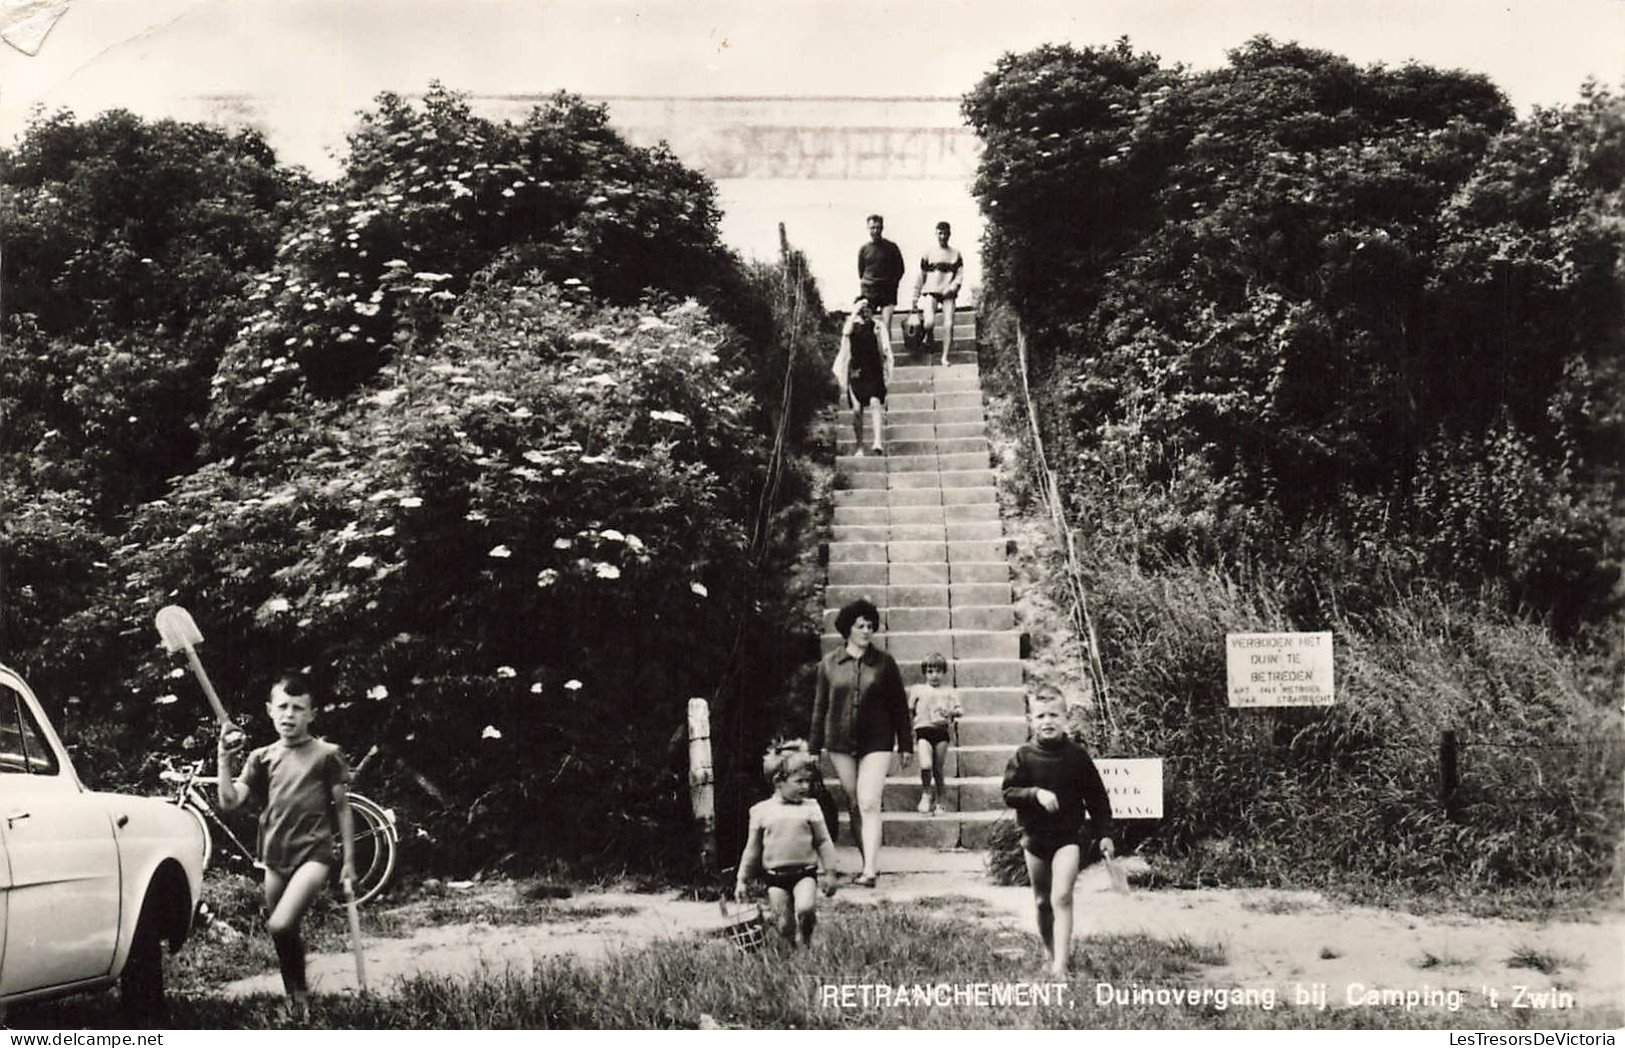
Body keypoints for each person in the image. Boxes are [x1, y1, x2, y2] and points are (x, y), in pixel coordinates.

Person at [217, 674, 356, 1020]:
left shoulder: (327, 755)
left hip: (315, 854)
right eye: (282, 707)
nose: (289, 715)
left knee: (279, 924)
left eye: (298, 708)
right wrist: (223, 759)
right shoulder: (262, 757)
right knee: (285, 933)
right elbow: (230, 802)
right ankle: (298, 997)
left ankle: (298, 997)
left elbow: (343, 808)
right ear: (269, 710)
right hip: (275, 857)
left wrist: (350, 861)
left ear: (312, 714)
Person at [1001, 690, 1115, 977]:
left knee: (1061, 896)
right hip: (1035, 839)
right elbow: (1009, 793)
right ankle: (1050, 952)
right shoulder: (1023, 756)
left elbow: (1098, 799)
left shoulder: (1077, 757)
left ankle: (1061, 965)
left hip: (1068, 838)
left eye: (1054, 715)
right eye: (1040, 716)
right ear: (1030, 720)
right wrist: (1035, 794)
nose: (1047, 721)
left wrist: (1104, 833)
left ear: (1066, 719)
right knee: (1042, 902)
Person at [810, 597, 911, 887]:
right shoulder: (829, 664)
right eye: (860, 626)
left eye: (870, 626)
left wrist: (905, 743)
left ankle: (869, 870)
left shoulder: (885, 664)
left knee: (868, 802)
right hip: (839, 742)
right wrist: (813, 747)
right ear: (848, 629)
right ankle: (866, 858)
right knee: (854, 803)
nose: (867, 631)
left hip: (877, 741)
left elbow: (899, 707)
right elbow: (819, 708)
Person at [734, 740, 840, 946]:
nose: (805, 787)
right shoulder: (761, 811)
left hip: (804, 873)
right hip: (775, 877)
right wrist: (742, 879)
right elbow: (753, 849)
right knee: (783, 923)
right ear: (778, 781)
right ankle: (791, 949)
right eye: (799, 781)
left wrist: (830, 872)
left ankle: (806, 939)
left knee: (806, 909)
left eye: (807, 781)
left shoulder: (810, 808)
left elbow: (823, 841)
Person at [830, 297, 894, 456]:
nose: (865, 312)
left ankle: (878, 441)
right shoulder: (851, 326)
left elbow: (884, 351)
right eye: (862, 308)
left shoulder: (878, 326)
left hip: (873, 371)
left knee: (874, 402)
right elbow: (845, 335)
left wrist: (877, 336)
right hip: (856, 371)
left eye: (868, 308)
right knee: (857, 410)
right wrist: (854, 313)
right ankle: (859, 446)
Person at [909, 652, 963, 814]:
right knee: (926, 765)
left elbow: (960, 710)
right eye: (930, 671)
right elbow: (910, 710)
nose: (934, 675)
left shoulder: (949, 691)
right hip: (923, 731)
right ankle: (926, 792)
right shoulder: (917, 689)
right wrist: (909, 729)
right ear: (925, 672)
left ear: (944, 672)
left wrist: (950, 712)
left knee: (938, 768)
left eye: (938, 671)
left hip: (941, 732)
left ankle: (941, 799)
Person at [909, 220, 964, 366]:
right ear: (936, 233)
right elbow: (921, 276)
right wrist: (915, 296)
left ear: (949, 234)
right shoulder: (928, 253)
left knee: (948, 324)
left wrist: (952, 288)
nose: (943, 236)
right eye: (940, 233)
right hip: (931, 290)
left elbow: (959, 275)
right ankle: (929, 336)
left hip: (948, 293)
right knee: (929, 322)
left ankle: (944, 357)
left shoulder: (956, 254)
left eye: (945, 233)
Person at [857, 214, 905, 335]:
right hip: (869, 291)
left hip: (887, 291)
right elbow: (861, 271)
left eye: (878, 227)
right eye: (872, 228)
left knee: (886, 326)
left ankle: (886, 354)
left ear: (882, 228)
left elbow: (900, 269)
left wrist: (892, 284)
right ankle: (870, 354)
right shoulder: (864, 249)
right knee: (866, 325)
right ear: (868, 228)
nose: (875, 231)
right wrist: (867, 284)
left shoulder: (891, 247)